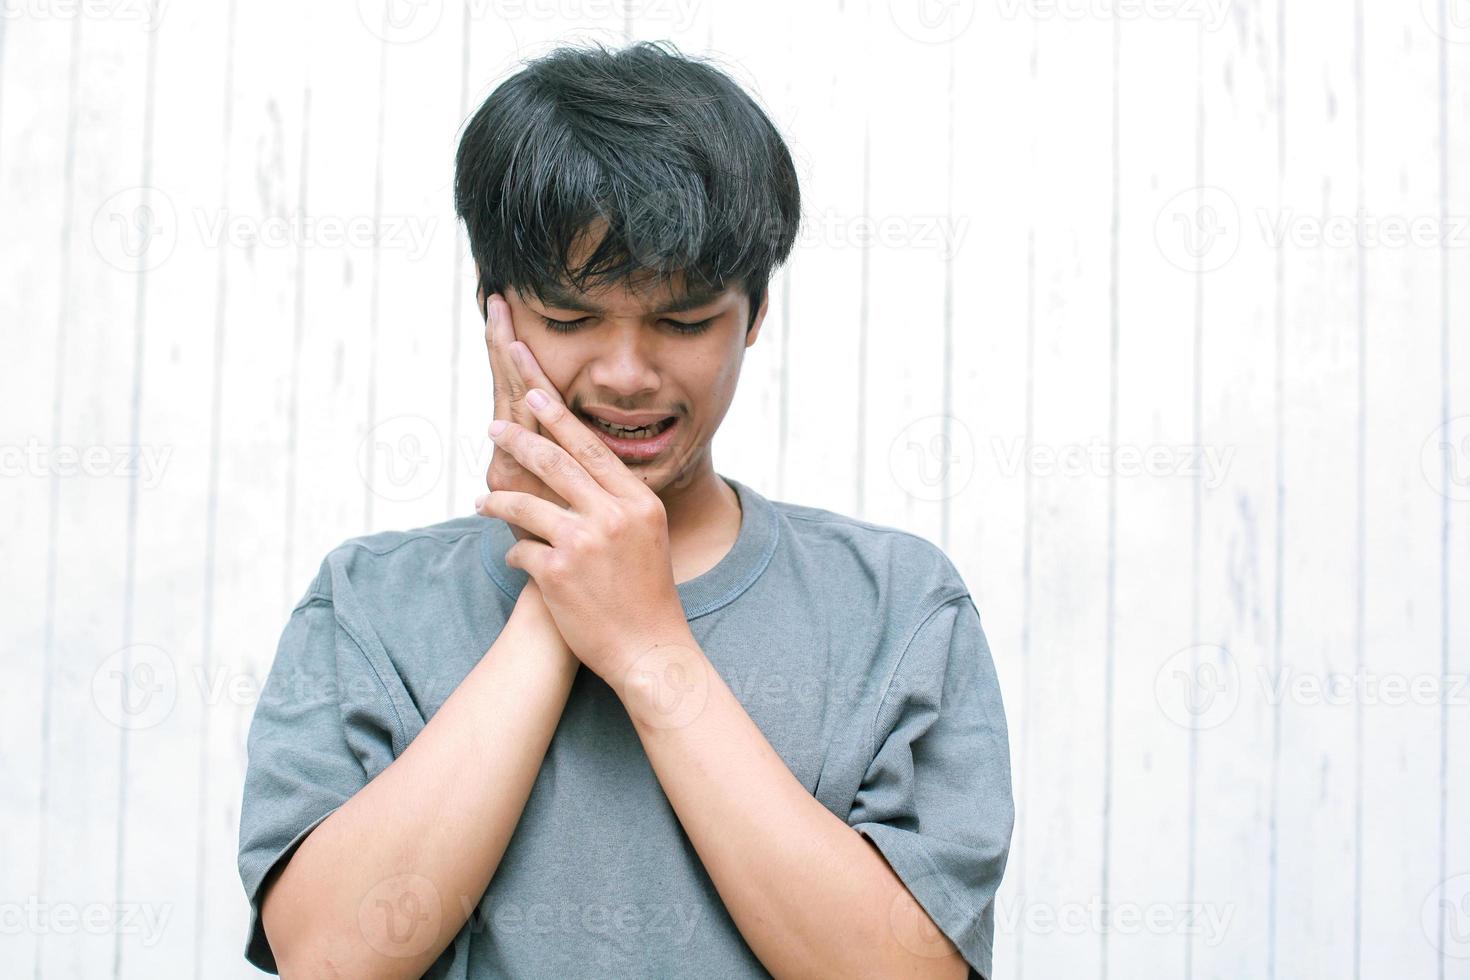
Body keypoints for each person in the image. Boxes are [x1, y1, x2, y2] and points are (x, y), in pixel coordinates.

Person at [236, 38, 1012, 980]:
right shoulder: (369, 605)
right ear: (496, 311)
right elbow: (329, 959)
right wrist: (555, 603)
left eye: (683, 322)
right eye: (568, 320)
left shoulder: (898, 607)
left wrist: (648, 647)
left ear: (755, 313)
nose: (625, 374)